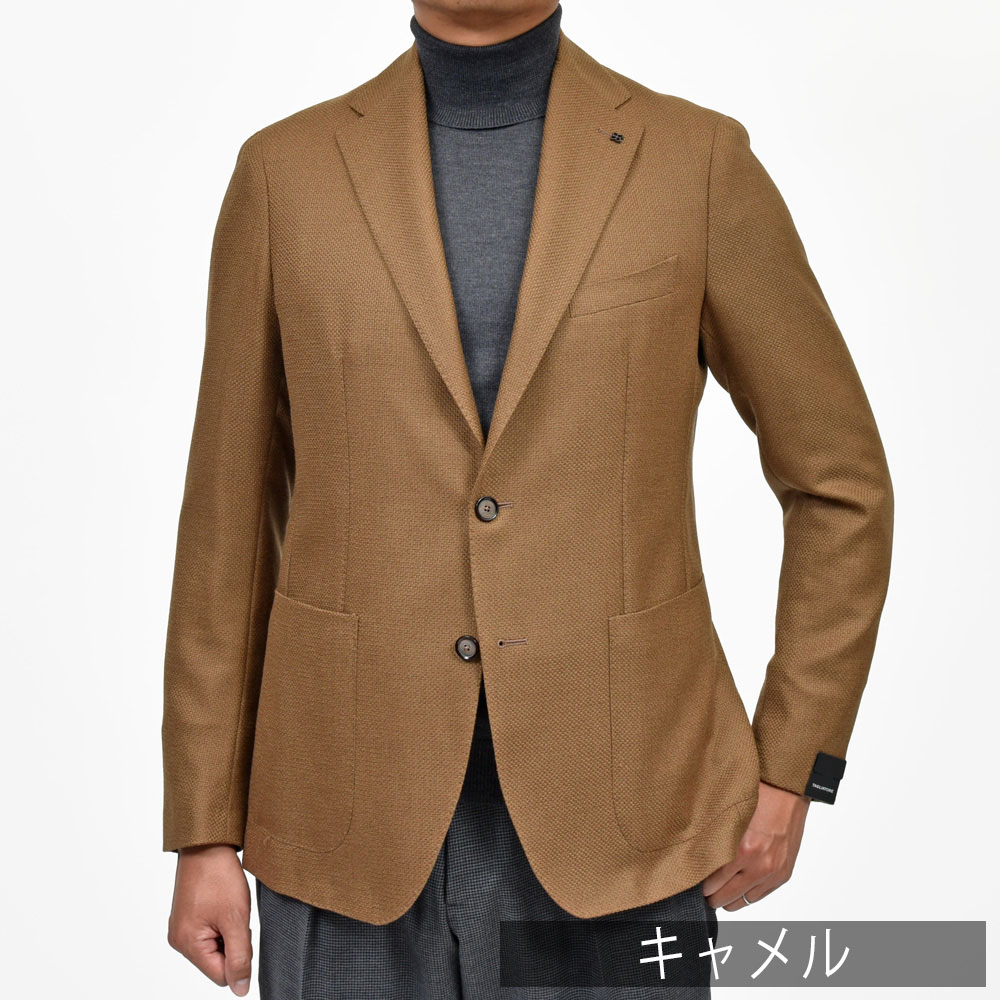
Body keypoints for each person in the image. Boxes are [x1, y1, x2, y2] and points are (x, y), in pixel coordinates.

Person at [162, 2, 894, 997]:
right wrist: (203, 826)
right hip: (343, 821)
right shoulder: (283, 176)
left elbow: (840, 483)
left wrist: (791, 765)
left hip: (628, 818)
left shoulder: (696, 164)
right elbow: (227, 526)